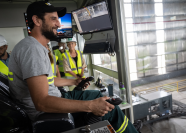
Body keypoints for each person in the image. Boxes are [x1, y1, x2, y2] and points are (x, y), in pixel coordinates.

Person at [8, 1, 138, 133]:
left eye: (58, 19)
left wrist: (74, 81)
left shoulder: (34, 46)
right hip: (48, 113)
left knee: (99, 95)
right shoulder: (32, 49)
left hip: (56, 98)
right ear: (37, 20)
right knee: (110, 108)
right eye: (53, 19)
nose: (58, 24)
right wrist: (91, 106)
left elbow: (48, 81)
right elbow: (41, 102)